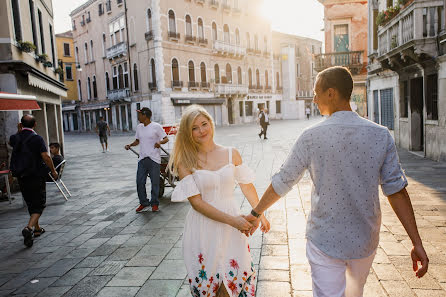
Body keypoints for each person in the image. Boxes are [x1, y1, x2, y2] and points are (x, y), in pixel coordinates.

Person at [245, 66, 429, 297]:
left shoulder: (311, 137)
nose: (313, 98)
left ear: (331, 93)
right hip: (365, 240)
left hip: (324, 240)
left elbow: (284, 180)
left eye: (316, 92)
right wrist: (416, 242)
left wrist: (255, 213)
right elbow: (396, 190)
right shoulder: (380, 134)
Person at [168, 105, 270, 297]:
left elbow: (246, 185)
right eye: (194, 128)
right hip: (203, 226)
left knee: (235, 280)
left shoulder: (232, 153)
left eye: (204, 124)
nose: (201, 131)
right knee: (210, 286)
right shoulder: (185, 160)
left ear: (211, 123)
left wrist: (261, 214)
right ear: (188, 133)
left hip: (232, 227)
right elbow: (197, 203)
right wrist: (235, 221)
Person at [9, 115, 58, 247]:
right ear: (35, 124)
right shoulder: (37, 138)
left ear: (21, 124)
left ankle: (37, 229)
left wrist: (19, 131)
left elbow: (13, 142)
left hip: (21, 176)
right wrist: (53, 171)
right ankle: (29, 228)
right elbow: (45, 156)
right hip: (36, 175)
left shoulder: (15, 138)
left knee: (30, 202)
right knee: (39, 204)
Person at [125, 108, 168, 212]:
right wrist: (130, 145)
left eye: (139, 114)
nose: (138, 117)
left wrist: (160, 143)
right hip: (142, 159)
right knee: (139, 181)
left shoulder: (156, 126)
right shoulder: (139, 127)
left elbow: (166, 138)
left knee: (155, 182)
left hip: (154, 159)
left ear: (145, 115)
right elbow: (137, 141)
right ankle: (143, 202)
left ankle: (154, 203)